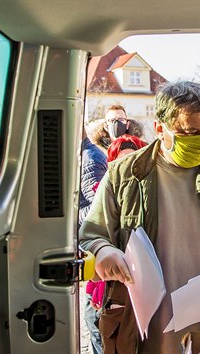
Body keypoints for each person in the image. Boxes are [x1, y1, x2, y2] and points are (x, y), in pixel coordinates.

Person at [79, 81, 200, 354]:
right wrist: (103, 251)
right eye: (190, 132)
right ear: (161, 129)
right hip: (141, 337)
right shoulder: (124, 174)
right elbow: (92, 233)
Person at [83, 134, 148, 351]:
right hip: (110, 293)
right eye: (121, 160)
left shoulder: (149, 193)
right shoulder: (107, 188)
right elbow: (92, 235)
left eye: (132, 159)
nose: (127, 166)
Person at [79, 128, 108, 354]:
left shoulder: (90, 159)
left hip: (97, 256)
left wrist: (68, 215)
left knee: (95, 321)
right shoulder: (85, 156)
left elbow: (96, 209)